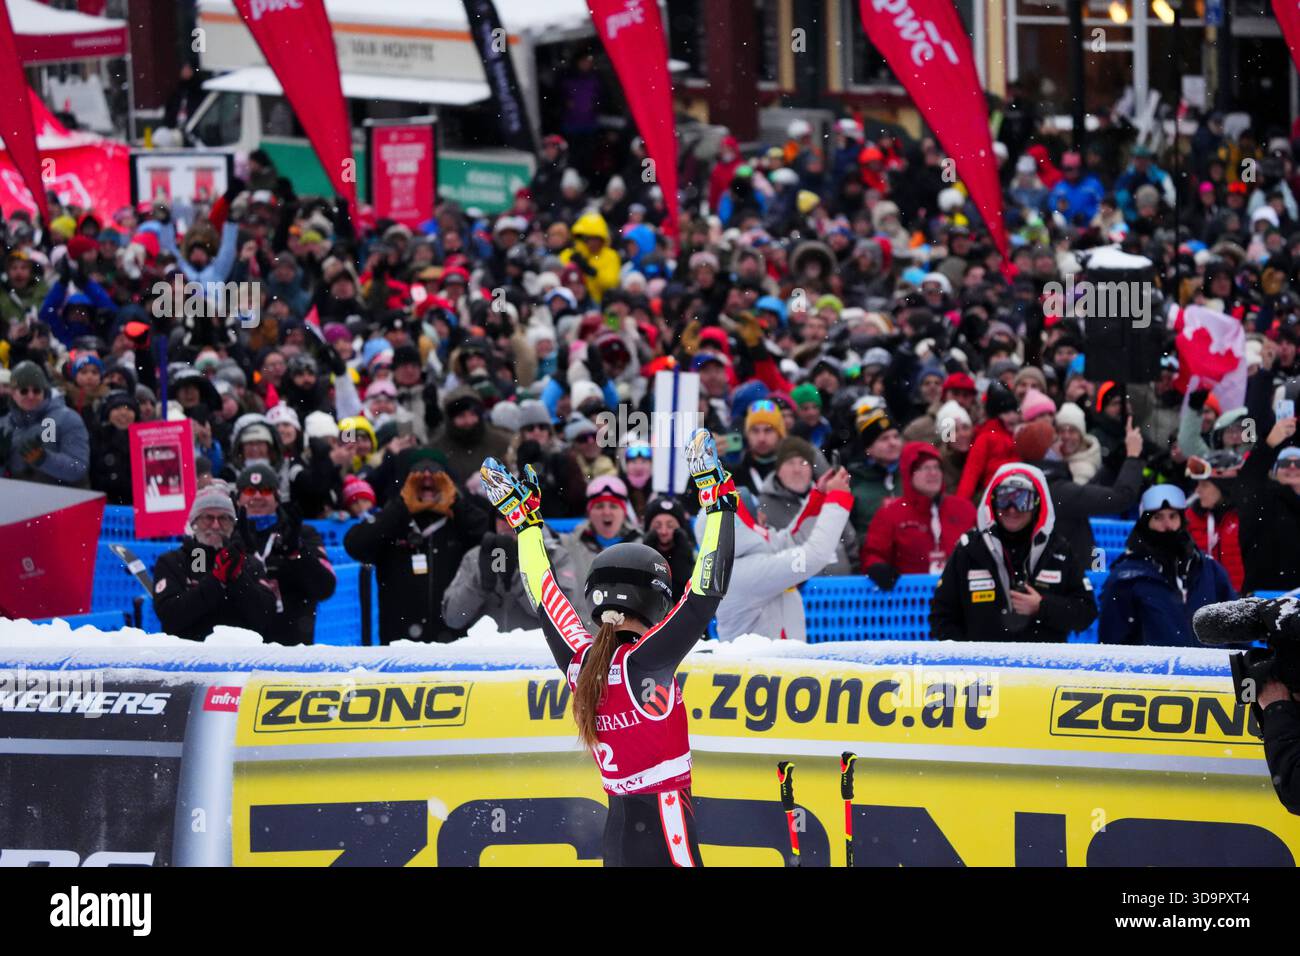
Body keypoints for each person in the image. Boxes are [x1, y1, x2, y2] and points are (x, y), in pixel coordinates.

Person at [479, 427, 736, 867]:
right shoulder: (644, 661)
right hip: (665, 829)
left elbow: (545, 598)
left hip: (618, 834)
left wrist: (524, 525)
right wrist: (718, 503)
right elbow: (705, 594)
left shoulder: (582, 662)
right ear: (652, 595)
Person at [930, 464, 1097, 642]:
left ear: (1036, 504)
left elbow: (1086, 612)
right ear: (992, 501)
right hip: (985, 667)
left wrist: (1042, 606)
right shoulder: (969, 549)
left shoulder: (1058, 551)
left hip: (1042, 667)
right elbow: (941, 616)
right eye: (1005, 498)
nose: (1012, 509)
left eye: (1022, 500)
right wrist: (969, 659)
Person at [343, 447, 490, 643]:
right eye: (418, 476)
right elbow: (355, 545)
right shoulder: (393, 521)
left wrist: (455, 503)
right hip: (401, 645)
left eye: (436, 476)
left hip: (455, 645)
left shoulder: (459, 522)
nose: (427, 480)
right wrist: (402, 506)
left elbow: (489, 538)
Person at [713, 466, 854, 641]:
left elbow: (791, 541)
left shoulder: (741, 557)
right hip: (761, 666)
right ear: (741, 524)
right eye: (755, 512)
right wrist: (837, 500)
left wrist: (820, 497)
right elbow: (813, 556)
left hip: (769, 665)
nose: (763, 516)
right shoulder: (747, 572)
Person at [1099, 484, 1236, 646]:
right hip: (1152, 669)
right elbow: (1112, 643)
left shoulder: (1209, 570)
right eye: (1158, 517)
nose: (1168, 525)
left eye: (1173, 516)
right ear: (1145, 523)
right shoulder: (1126, 578)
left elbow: (1236, 630)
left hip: (1209, 668)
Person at [152, 482, 279, 641]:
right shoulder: (172, 561)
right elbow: (169, 616)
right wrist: (215, 580)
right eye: (208, 518)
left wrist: (238, 578)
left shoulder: (249, 563)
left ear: (233, 525)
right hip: (187, 656)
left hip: (240, 657)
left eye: (224, 518)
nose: (216, 525)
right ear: (194, 523)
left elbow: (266, 617)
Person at [232, 463, 337, 645]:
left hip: (293, 652)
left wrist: (296, 553)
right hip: (241, 652)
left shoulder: (302, 533)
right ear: (237, 499)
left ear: (277, 497)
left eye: (265, 490)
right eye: (249, 491)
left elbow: (326, 587)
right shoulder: (228, 536)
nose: (257, 497)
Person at [861, 442, 977, 588]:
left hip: (959, 597)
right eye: (925, 468)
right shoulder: (890, 514)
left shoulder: (964, 508)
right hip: (911, 599)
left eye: (936, 467)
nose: (933, 473)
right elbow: (872, 554)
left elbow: (982, 548)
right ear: (909, 473)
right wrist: (877, 567)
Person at [442, 515, 579, 632]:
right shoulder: (476, 556)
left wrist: (518, 577)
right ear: (493, 520)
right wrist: (480, 584)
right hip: (485, 654)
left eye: (517, 515)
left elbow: (563, 617)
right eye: (502, 516)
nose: (509, 522)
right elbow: (453, 618)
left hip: (538, 655)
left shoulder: (554, 556)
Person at [0, 360, 90, 487]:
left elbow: (79, 468)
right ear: (13, 394)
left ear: (45, 391)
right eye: (24, 391)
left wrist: (44, 459)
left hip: (65, 501)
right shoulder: (4, 425)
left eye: (36, 390)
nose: (30, 396)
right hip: (19, 502)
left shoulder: (68, 419)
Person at [1237, 416, 1300, 593]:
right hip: (1265, 599)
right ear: (1274, 472)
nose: (1292, 467)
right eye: (1285, 463)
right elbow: (1247, 482)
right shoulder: (1263, 500)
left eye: (1298, 463)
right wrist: (1270, 443)